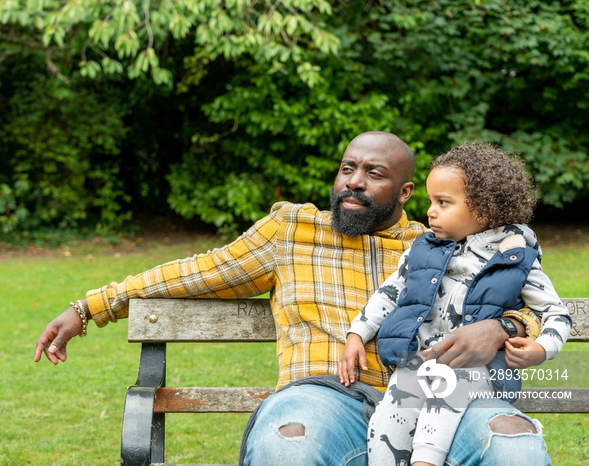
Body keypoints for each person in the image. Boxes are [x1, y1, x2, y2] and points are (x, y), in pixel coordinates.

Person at [35, 131, 551, 465]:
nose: (353, 183)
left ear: (407, 192)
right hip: (324, 395)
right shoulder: (291, 230)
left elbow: (522, 292)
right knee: (291, 444)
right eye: (348, 168)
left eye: (374, 175)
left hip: (440, 399)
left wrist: (506, 327)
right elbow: (196, 273)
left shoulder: (439, 241)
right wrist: (90, 307)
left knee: (514, 444)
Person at [338, 142, 571, 466]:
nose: (431, 211)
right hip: (417, 362)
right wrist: (356, 334)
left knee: (446, 399)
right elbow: (389, 292)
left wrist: (542, 348)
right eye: (431, 201)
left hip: (476, 369)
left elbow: (555, 313)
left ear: (484, 209)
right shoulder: (424, 249)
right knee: (387, 422)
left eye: (443, 203)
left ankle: (425, 462)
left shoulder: (515, 256)